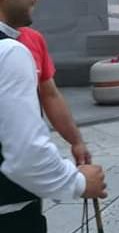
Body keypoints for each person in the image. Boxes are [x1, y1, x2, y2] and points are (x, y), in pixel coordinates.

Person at [0, 0, 106, 232]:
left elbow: (50, 93)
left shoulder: (28, 41)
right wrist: (80, 182)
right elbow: (25, 156)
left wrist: (75, 140)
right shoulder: (9, 52)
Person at [18, 27, 91, 166]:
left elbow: (50, 95)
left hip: (30, 152)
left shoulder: (32, 38)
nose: (35, 3)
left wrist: (76, 141)